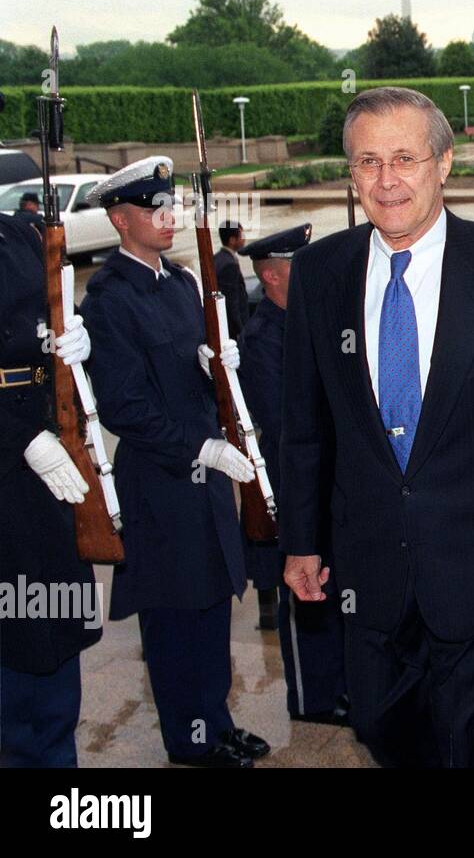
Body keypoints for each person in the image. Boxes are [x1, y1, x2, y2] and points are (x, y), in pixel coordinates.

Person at [278, 87, 474, 768]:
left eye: (405, 158)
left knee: (467, 733)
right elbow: (305, 423)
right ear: (351, 174)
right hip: (368, 560)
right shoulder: (319, 273)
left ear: (444, 163)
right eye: (367, 161)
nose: (387, 180)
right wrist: (301, 540)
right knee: (382, 727)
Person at [80, 156, 268, 768]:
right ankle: (189, 739)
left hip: (207, 477)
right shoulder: (110, 297)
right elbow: (124, 407)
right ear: (119, 219)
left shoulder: (184, 283)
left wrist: (219, 364)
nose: (169, 217)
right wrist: (200, 447)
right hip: (162, 480)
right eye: (153, 209)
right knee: (174, 617)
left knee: (214, 602)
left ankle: (216, 719)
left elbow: (194, 373)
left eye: (172, 206)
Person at [237, 223, 350, 726]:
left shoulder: (308, 322)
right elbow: (287, 422)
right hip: (296, 485)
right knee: (303, 594)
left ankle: (340, 685)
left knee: (331, 587)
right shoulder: (264, 338)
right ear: (272, 278)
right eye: (297, 270)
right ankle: (311, 698)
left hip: (331, 480)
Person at [0, 210, 101, 767]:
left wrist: (77, 336)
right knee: (15, 666)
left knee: (56, 644)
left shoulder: (18, 231)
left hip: (50, 443)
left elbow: (56, 309)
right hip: (12, 458)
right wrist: (17, 439)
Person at [214, 221, 249, 341]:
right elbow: (232, 303)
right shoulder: (230, 264)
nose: (244, 240)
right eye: (242, 236)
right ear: (232, 240)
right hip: (232, 331)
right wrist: (241, 331)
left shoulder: (217, 258)